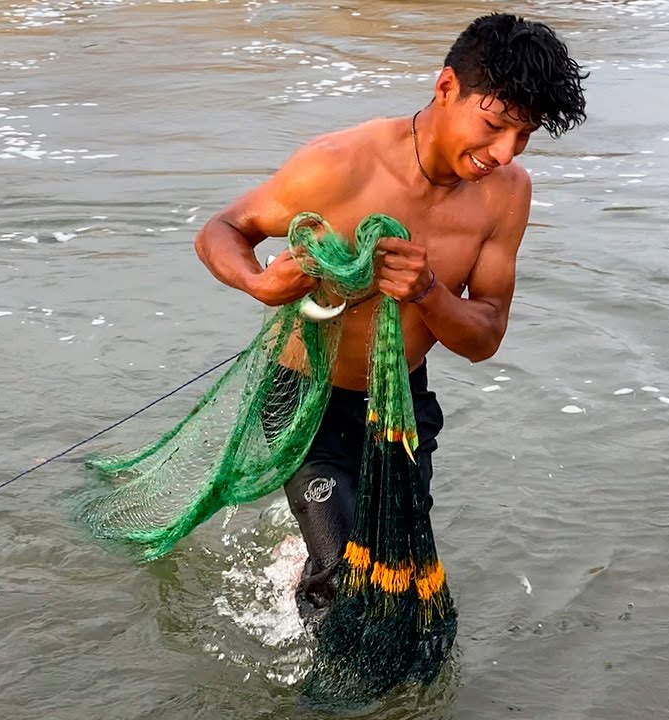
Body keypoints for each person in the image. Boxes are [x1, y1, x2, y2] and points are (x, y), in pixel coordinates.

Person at [193, 13, 588, 625]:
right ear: (446, 87)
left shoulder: (507, 194)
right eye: (495, 125)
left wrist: (428, 291)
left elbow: (484, 337)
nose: (504, 153)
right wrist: (258, 282)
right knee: (345, 580)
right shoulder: (339, 165)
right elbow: (223, 229)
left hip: (399, 403)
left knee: (399, 581)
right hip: (304, 398)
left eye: (524, 135)